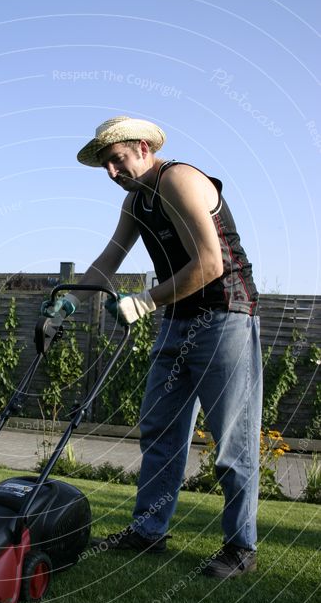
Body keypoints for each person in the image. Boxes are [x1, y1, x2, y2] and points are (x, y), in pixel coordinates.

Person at [42, 116, 262, 578]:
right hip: (177, 320)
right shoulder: (135, 201)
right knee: (160, 432)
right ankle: (149, 531)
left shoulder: (178, 179)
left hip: (225, 317)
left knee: (231, 444)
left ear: (143, 148)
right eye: (105, 165)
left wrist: (144, 301)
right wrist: (67, 302)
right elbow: (108, 260)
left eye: (117, 160)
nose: (112, 172)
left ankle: (240, 547)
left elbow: (210, 263)